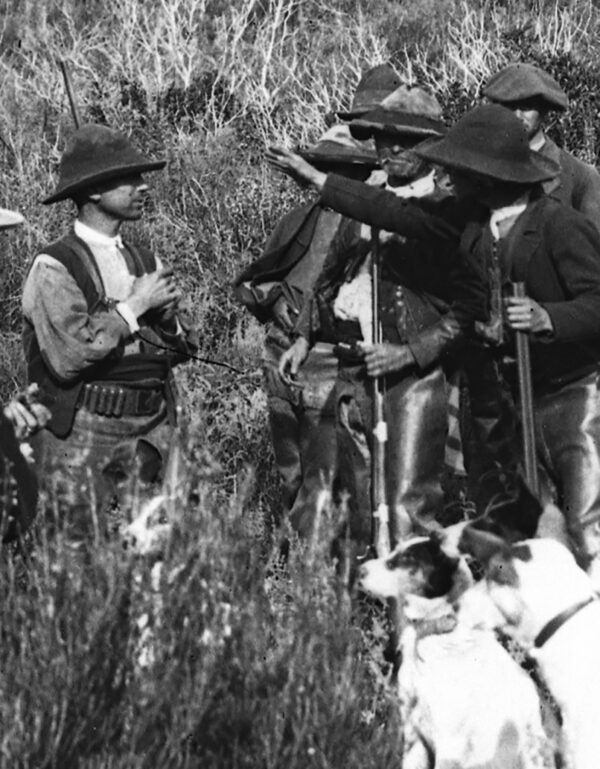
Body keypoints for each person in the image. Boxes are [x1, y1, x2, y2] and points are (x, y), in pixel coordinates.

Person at [267, 103, 600, 573]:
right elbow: (387, 209)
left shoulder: (560, 227)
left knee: (588, 531)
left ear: (490, 176)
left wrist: (551, 316)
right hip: (500, 401)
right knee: (523, 531)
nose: (448, 179)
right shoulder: (462, 222)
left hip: (570, 397)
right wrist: (317, 180)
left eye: (460, 170)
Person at [279, 85, 461, 553]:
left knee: (407, 500)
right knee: (355, 496)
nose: (392, 149)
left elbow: (468, 308)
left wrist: (413, 351)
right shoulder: (365, 198)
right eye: (383, 138)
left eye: (406, 140)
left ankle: (413, 613)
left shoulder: (446, 207)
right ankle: (359, 612)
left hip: (413, 374)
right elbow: (330, 271)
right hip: (351, 366)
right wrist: (304, 334)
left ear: (432, 146)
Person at [22, 124, 197, 542]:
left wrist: (168, 319)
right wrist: (135, 308)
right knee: (77, 555)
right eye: (129, 178)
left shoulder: (145, 259)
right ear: (94, 191)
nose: (143, 187)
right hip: (83, 429)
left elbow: (183, 345)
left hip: (152, 426)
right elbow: (70, 357)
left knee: (161, 551)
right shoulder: (54, 267)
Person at [234, 124, 378, 535]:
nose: (333, 178)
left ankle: (315, 572)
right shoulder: (298, 220)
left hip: (329, 363)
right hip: (282, 356)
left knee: (326, 475)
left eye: (345, 169)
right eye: (326, 167)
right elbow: (257, 280)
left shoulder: (367, 227)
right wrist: (276, 301)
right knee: (291, 470)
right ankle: (291, 555)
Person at [482, 61, 600, 226]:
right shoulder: (481, 166)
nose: (517, 115)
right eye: (509, 106)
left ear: (544, 111)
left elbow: (593, 246)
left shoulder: (580, 177)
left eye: (526, 107)